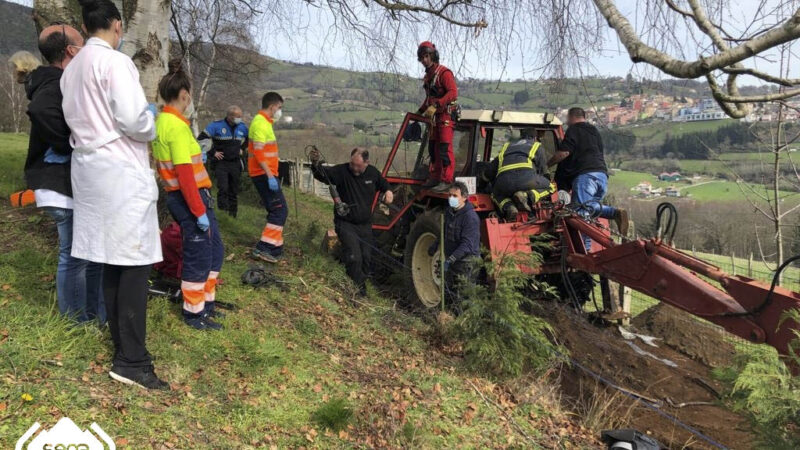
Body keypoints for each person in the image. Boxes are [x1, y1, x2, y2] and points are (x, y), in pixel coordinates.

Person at [61, 0, 166, 389]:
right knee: (135, 264)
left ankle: (123, 348)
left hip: (89, 169)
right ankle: (132, 360)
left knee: (109, 259)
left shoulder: (71, 69)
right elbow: (132, 119)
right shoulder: (116, 63)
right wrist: (151, 119)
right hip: (119, 171)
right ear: (117, 26)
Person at [22, 24, 105, 324]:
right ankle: (75, 320)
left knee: (85, 254)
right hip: (58, 182)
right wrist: (72, 142)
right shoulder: (57, 81)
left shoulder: (56, 79)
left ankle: (92, 315)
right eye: (83, 43)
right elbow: (42, 111)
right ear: (71, 51)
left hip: (63, 184)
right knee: (74, 254)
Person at [153, 60, 225, 331]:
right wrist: (198, 212)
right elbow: (184, 175)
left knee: (214, 250)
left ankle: (206, 306)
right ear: (184, 95)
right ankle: (194, 314)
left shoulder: (164, 122)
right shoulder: (176, 126)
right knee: (198, 256)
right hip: (190, 198)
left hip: (188, 197)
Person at [309, 148, 394, 296]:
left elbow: (384, 184)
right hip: (346, 223)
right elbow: (323, 175)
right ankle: (358, 291)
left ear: (366, 163)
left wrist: (388, 192)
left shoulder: (373, 173)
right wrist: (315, 164)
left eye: (358, 166)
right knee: (355, 257)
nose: (354, 168)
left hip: (365, 224)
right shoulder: (342, 171)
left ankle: (356, 277)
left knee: (367, 259)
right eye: (352, 164)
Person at [548, 107, 629, 251]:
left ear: (571, 117)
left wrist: (546, 165)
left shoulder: (574, 130)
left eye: (567, 119)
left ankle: (585, 250)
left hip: (586, 177)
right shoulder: (594, 131)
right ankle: (613, 213)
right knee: (588, 210)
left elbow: (564, 153)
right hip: (602, 176)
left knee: (581, 214)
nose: (567, 122)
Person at [481, 128, 555, 220]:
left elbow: (489, 172)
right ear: (535, 137)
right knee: (551, 187)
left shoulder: (506, 147)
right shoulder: (536, 146)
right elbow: (543, 170)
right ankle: (527, 197)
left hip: (504, 182)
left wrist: (482, 183)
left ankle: (509, 207)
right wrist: (546, 179)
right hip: (526, 180)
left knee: (496, 194)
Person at [248, 92, 288, 263]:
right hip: (264, 175)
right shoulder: (260, 123)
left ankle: (276, 248)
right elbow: (258, 151)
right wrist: (270, 175)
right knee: (279, 211)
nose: (280, 111)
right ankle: (264, 248)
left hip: (266, 174)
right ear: (272, 106)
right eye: (279, 108)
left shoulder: (265, 123)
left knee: (277, 210)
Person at [428, 181, 481, 306]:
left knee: (464, 296)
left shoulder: (470, 218)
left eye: (455, 196)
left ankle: (464, 322)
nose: (451, 198)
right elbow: (444, 231)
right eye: (450, 195)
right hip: (452, 261)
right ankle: (447, 320)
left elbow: (467, 244)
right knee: (448, 293)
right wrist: (436, 244)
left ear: (464, 197)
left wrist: (450, 259)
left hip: (466, 263)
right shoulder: (449, 212)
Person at [416, 41, 458, 193]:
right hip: (434, 118)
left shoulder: (444, 73)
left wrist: (437, 104)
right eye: (422, 58)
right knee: (433, 149)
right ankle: (435, 177)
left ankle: (447, 180)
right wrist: (419, 112)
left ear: (433, 56)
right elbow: (429, 99)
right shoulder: (428, 76)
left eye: (426, 56)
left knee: (444, 148)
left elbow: (453, 93)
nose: (424, 60)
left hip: (445, 115)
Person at [197, 106, 248, 217]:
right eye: (237, 117)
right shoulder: (216, 126)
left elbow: (250, 139)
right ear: (229, 116)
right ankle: (223, 213)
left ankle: (233, 215)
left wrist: (242, 148)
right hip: (221, 163)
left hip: (235, 163)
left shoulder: (242, 127)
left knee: (233, 190)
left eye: (240, 116)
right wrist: (212, 152)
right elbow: (201, 138)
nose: (240, 118)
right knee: (223, 188)